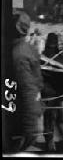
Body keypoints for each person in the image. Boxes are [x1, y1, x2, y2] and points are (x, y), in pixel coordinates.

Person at [10, 12, 44, 152]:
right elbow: (29, 89)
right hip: (20, 114)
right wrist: (32, 127)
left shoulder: (19, 51)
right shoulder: (25, 51)